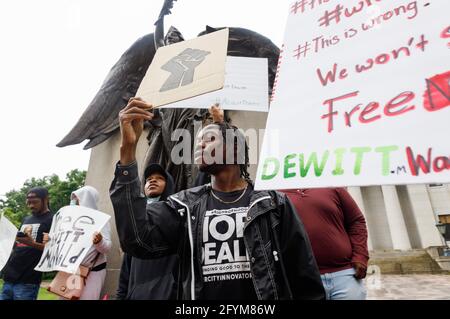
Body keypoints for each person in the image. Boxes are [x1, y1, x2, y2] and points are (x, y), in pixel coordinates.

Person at [110, 98, 325, 300]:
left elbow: (304, 276)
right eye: (199, 141)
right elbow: (136, 238)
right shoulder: (185, 206)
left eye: (209, 139)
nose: (199, 146)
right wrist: (127, 150)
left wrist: (220, 122)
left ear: (234, 149)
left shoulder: (273, 204)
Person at [281, 188, 369, 300]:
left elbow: (356, 221)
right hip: (303, 280)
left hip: (345, 275)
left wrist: (360, 256)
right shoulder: (273, 194)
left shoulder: (333, 186)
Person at [116, 163, 178, 300]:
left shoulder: (178, 218)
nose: (152, 180)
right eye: (148, 179)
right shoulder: (136, 224)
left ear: (169, 185)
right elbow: (125, 272)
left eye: (160, 178)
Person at [44, 186, 112, 300]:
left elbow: (107, 247)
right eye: (73, 199)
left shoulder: (101, 220)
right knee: (65, 296)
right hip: (69, 270)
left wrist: (99, 241)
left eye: (78, 199)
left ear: (87, 200)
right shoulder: (69, 221)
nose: (74, 202)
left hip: (92, 273)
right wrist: (50, 241)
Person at [0, 187, 53, 300]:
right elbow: (19, 244)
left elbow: (52, 250)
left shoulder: (53, 220)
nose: (31, 206)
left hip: (28, 280)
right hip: (9, 278)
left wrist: (32, 243)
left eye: (35, 202)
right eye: (28, 202)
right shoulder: (26, 219)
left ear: (46, 199)